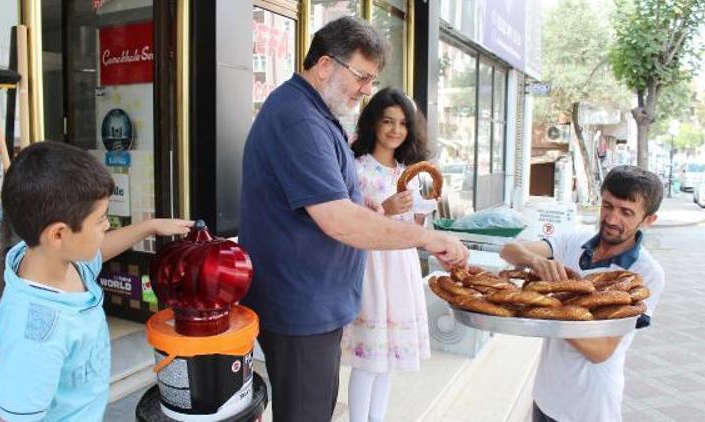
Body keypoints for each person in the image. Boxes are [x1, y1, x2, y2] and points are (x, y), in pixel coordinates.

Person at [239, 16, 468, 422]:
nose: (366, 90)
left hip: (315, 301)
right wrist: (426, 239)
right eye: (362, 77)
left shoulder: (315, 114)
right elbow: (338, 219)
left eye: (371, 80)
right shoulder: (298, 118)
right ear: (326, 65)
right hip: (300, 304)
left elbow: (342, 201)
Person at [0, 141, 193, 421]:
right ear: (59, 235)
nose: (107, 225)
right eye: (100, 219)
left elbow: (96, 251)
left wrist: (150, 226)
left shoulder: (60, 260)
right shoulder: (35, 332)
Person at [499, 165, 665, 422]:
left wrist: (551, 304)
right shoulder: (574, 241)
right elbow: (509, 250)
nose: (611, 219)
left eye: (626, 212)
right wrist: (535, 261)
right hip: (546, 393)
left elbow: (600, 350)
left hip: (589, 406)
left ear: (648, 220)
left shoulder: (645, 273)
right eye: (608, 205)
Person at [342, 87, 437, 422]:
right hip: (371, 266)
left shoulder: (408, 174)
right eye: (388, 121)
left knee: (389, 361)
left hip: (401, 266)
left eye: (402, 123)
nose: (395, 130)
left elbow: (414, 225)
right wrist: (385, 208)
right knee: (368, 360)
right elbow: (349, 223)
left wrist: (423, 211)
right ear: (374, 123)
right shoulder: (357, 169)